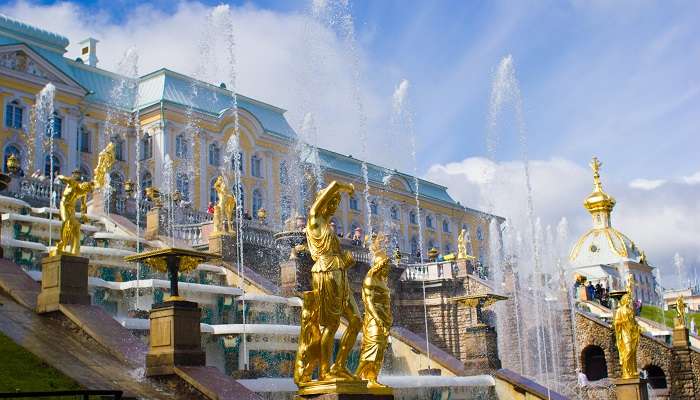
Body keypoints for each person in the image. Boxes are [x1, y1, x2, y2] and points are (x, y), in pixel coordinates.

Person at [305, 181, 360, 380]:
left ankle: (339, 365)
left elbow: (336, 253)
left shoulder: (328, 226)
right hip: (325, 273)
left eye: (336, 202)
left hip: (339, 273)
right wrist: (344, 187)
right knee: (331, 325)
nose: (334, 205)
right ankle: (325, 371)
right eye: (332, 201)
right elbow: (333, 187)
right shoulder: (315, 219)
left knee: (356, 321)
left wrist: (346, 260)